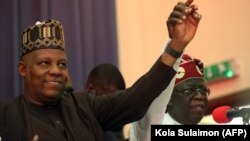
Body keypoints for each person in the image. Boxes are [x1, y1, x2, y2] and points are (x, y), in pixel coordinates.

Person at [0, 0, 200, 139]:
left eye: (62, 64)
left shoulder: (84, 106)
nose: (56, 71)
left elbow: (137, 98)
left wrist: (175, 45)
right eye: (45, 63)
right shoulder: (6, 115)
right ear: (23, 70)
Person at [129, 0, 203, 140]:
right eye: (189, 90)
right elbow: (152, 99)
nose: (200, 96)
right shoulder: (153, 129)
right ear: (169, 98)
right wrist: (175, 45)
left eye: (203, 90)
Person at [85, 63, 126, 141]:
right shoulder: (72, 122)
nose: (113, 110)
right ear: (90, 90)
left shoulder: (116, 124)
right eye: (108, 102)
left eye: (116, 104)